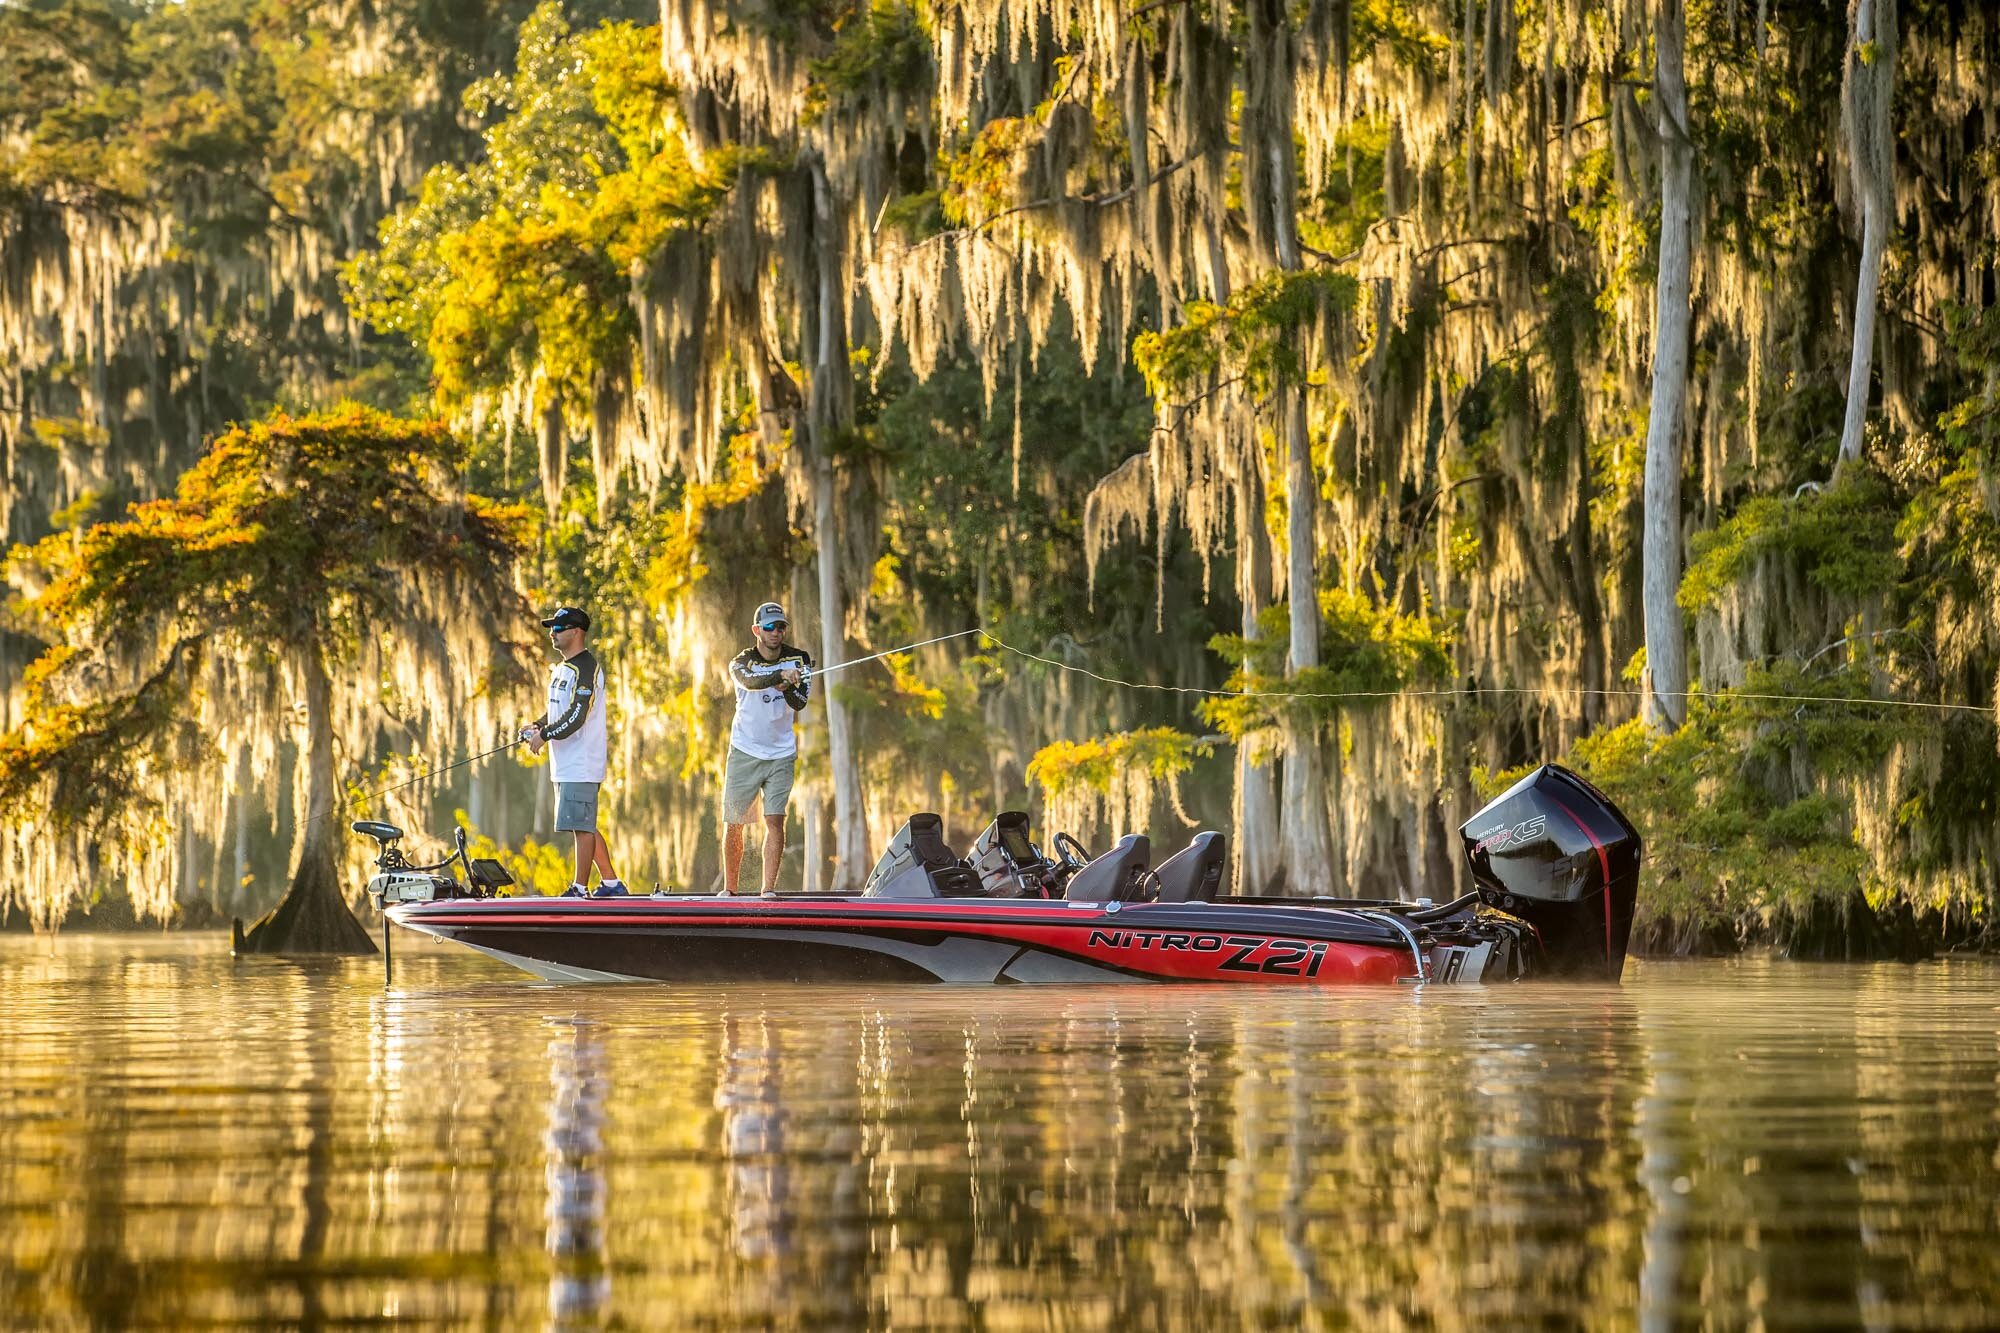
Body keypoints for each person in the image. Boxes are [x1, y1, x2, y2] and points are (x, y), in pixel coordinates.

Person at [520, 606, 627, 898]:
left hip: (582, 762)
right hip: (565, 764)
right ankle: (611, 884)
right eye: (551, 628)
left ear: (576, 631)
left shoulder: (587, 668)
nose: (552, 633)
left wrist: (545, 735)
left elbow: (578, 715)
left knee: (581, 827)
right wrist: (538, 725)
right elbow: (559, 709)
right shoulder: (562, 669)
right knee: (583, 824)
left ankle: (579, 888)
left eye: (558, 628)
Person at [722, 601, 812, 894]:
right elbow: (750, 682)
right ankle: (730, 891)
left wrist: (789, 687)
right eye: (770, 627)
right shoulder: (741, 662)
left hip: (781, 753)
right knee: (735, 823)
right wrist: (778, 677)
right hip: (744, 750)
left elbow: (800, 702)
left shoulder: (799, 659)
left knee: (775, 820)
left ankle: (768, 890)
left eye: (781, 627)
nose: (776, 632)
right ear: (756, 630)